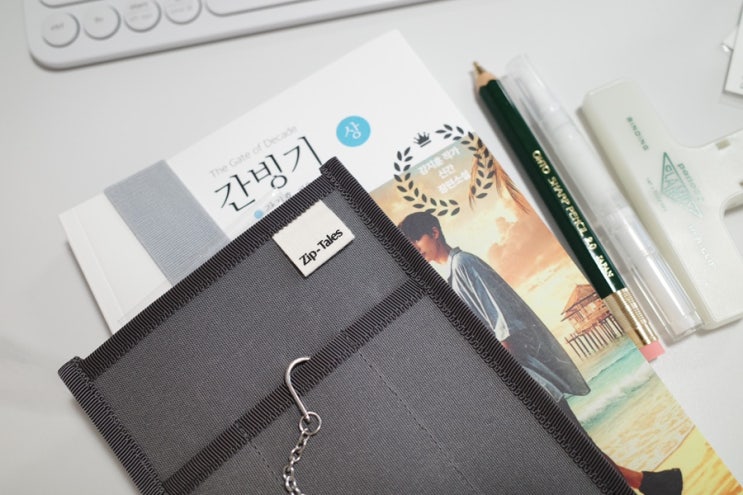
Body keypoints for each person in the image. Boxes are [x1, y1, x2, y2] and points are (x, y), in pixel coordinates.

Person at [398, 211, 682, 495]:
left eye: (416, 239)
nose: (415, 248)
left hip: (526, 380)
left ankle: (652, 484)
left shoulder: (463, 265)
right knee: (577, 449)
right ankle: (654, 484)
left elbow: (505, 328)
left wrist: (507, 384)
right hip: (523, 379)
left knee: (577, 450)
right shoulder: (454, 275)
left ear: (434, 232)